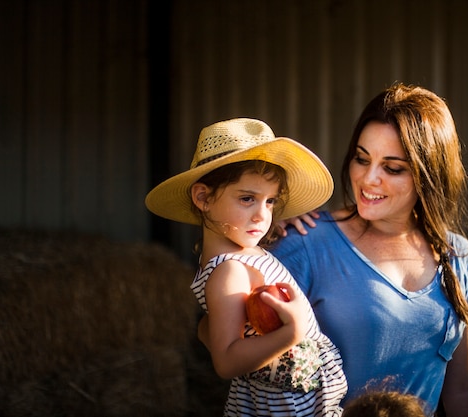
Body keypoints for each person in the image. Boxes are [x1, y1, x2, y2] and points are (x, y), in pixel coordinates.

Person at [270, 83, 468, 417]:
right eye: (361, 159)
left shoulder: (462, 261)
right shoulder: (304, 243)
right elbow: (231, 345)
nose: (368, 178)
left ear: (429, 174)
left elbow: (464, 390)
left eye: (392, 168)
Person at [145, 118, 347, 416]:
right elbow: (226, 361)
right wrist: (291, 333)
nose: (261, 215)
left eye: (270, 202)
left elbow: (218, 327)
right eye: (247, 199)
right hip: (284, 407)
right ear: (203, 198)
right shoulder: (230, 271)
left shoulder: (239, 251)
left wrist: (275, 223)